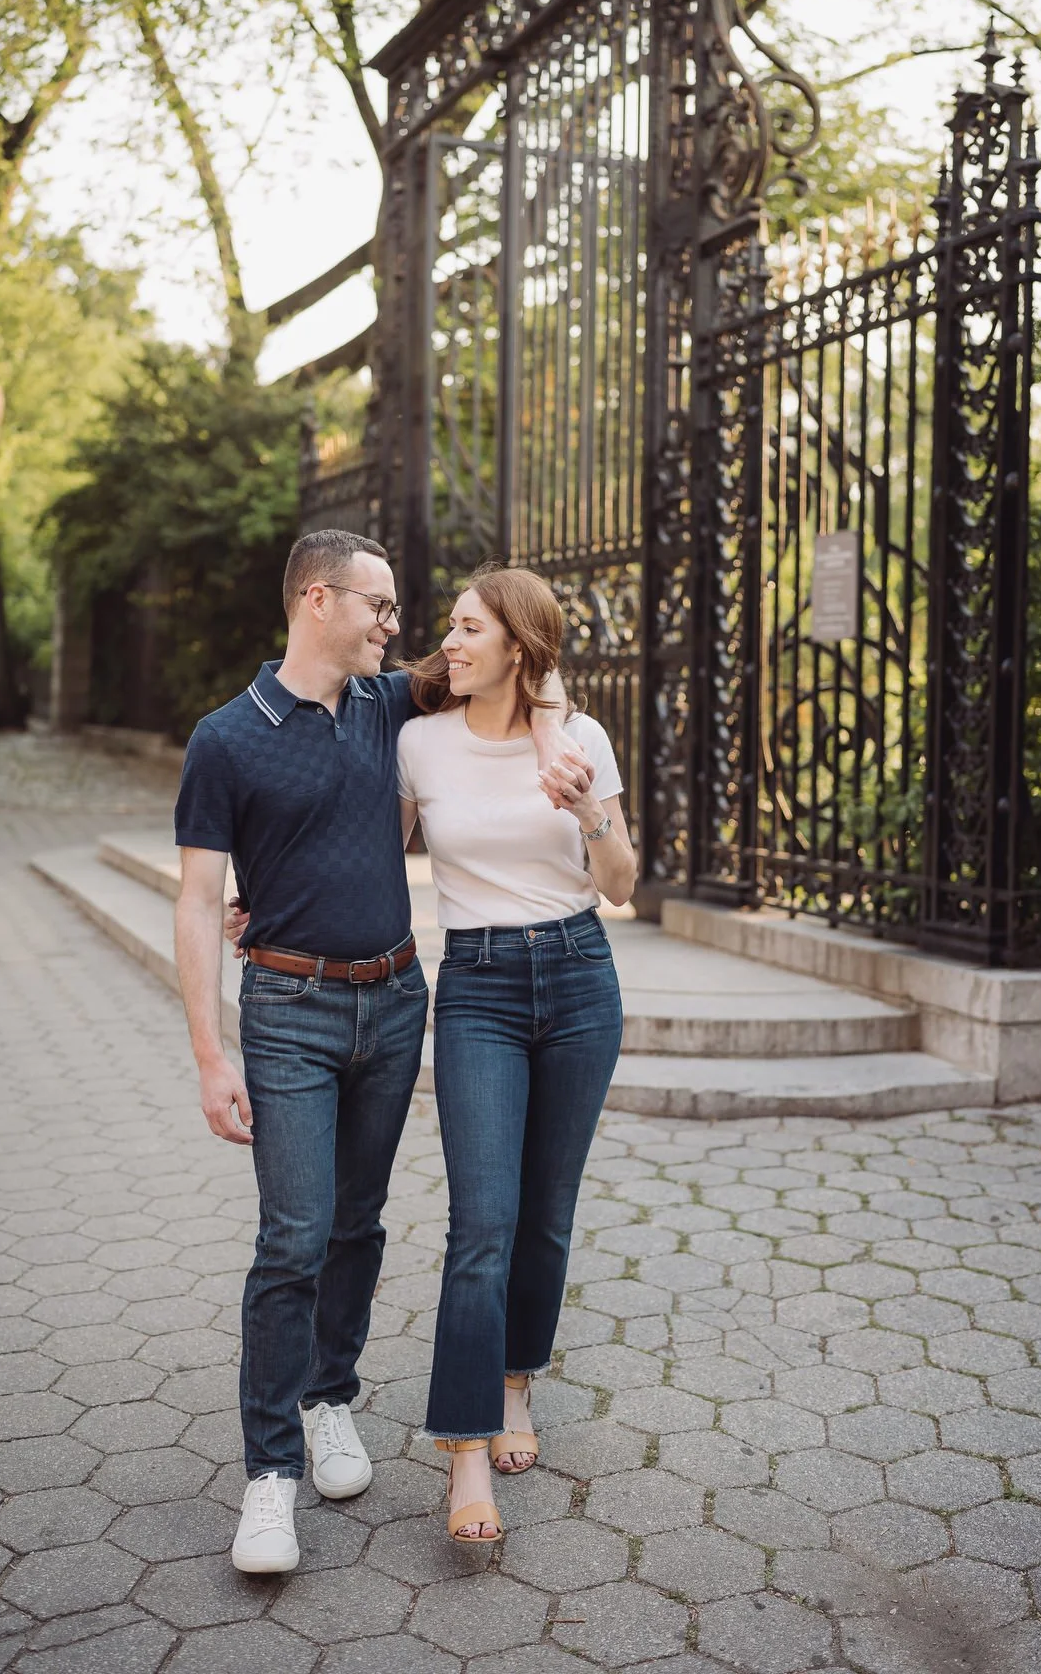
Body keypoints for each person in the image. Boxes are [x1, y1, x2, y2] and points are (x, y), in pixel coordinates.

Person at [174, 530, 586, 1575]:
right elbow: (192, 900)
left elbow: (521, 658)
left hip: (397, 999)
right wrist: (208, 1056)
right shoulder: (225, 737)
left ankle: (328, 1399)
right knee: (293, 1237)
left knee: (358, 1223)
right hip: (287, 1008)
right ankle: (269, 1476)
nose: (398, 626)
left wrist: (552, 751)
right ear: (319, 601)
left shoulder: (387, 705)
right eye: (380, 606)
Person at [396, 565, 636, 1542]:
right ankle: (462, 1450)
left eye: (466, 630)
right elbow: (373, 854)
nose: (449, 644)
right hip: (480, 985)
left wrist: (589, 809)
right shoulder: (417, 742)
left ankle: (514, 1384)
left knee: (546, 1217)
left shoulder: (581, 740)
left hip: (581, 975)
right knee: (482, 1221)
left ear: (517, 647)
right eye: (448, 628)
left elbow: (620, 881)